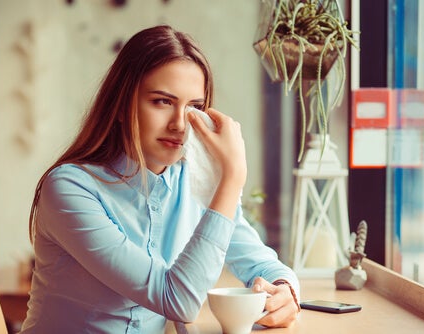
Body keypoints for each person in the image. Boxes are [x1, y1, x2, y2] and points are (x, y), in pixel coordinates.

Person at [20, 25, 300, 333]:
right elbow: (178, 300)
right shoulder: (69, 188)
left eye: (194, 106)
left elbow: (262, 263)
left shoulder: (195, 182)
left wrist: (284, 290)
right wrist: (232, 176)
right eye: (162, 101)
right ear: (122, 106)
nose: (180, 124)